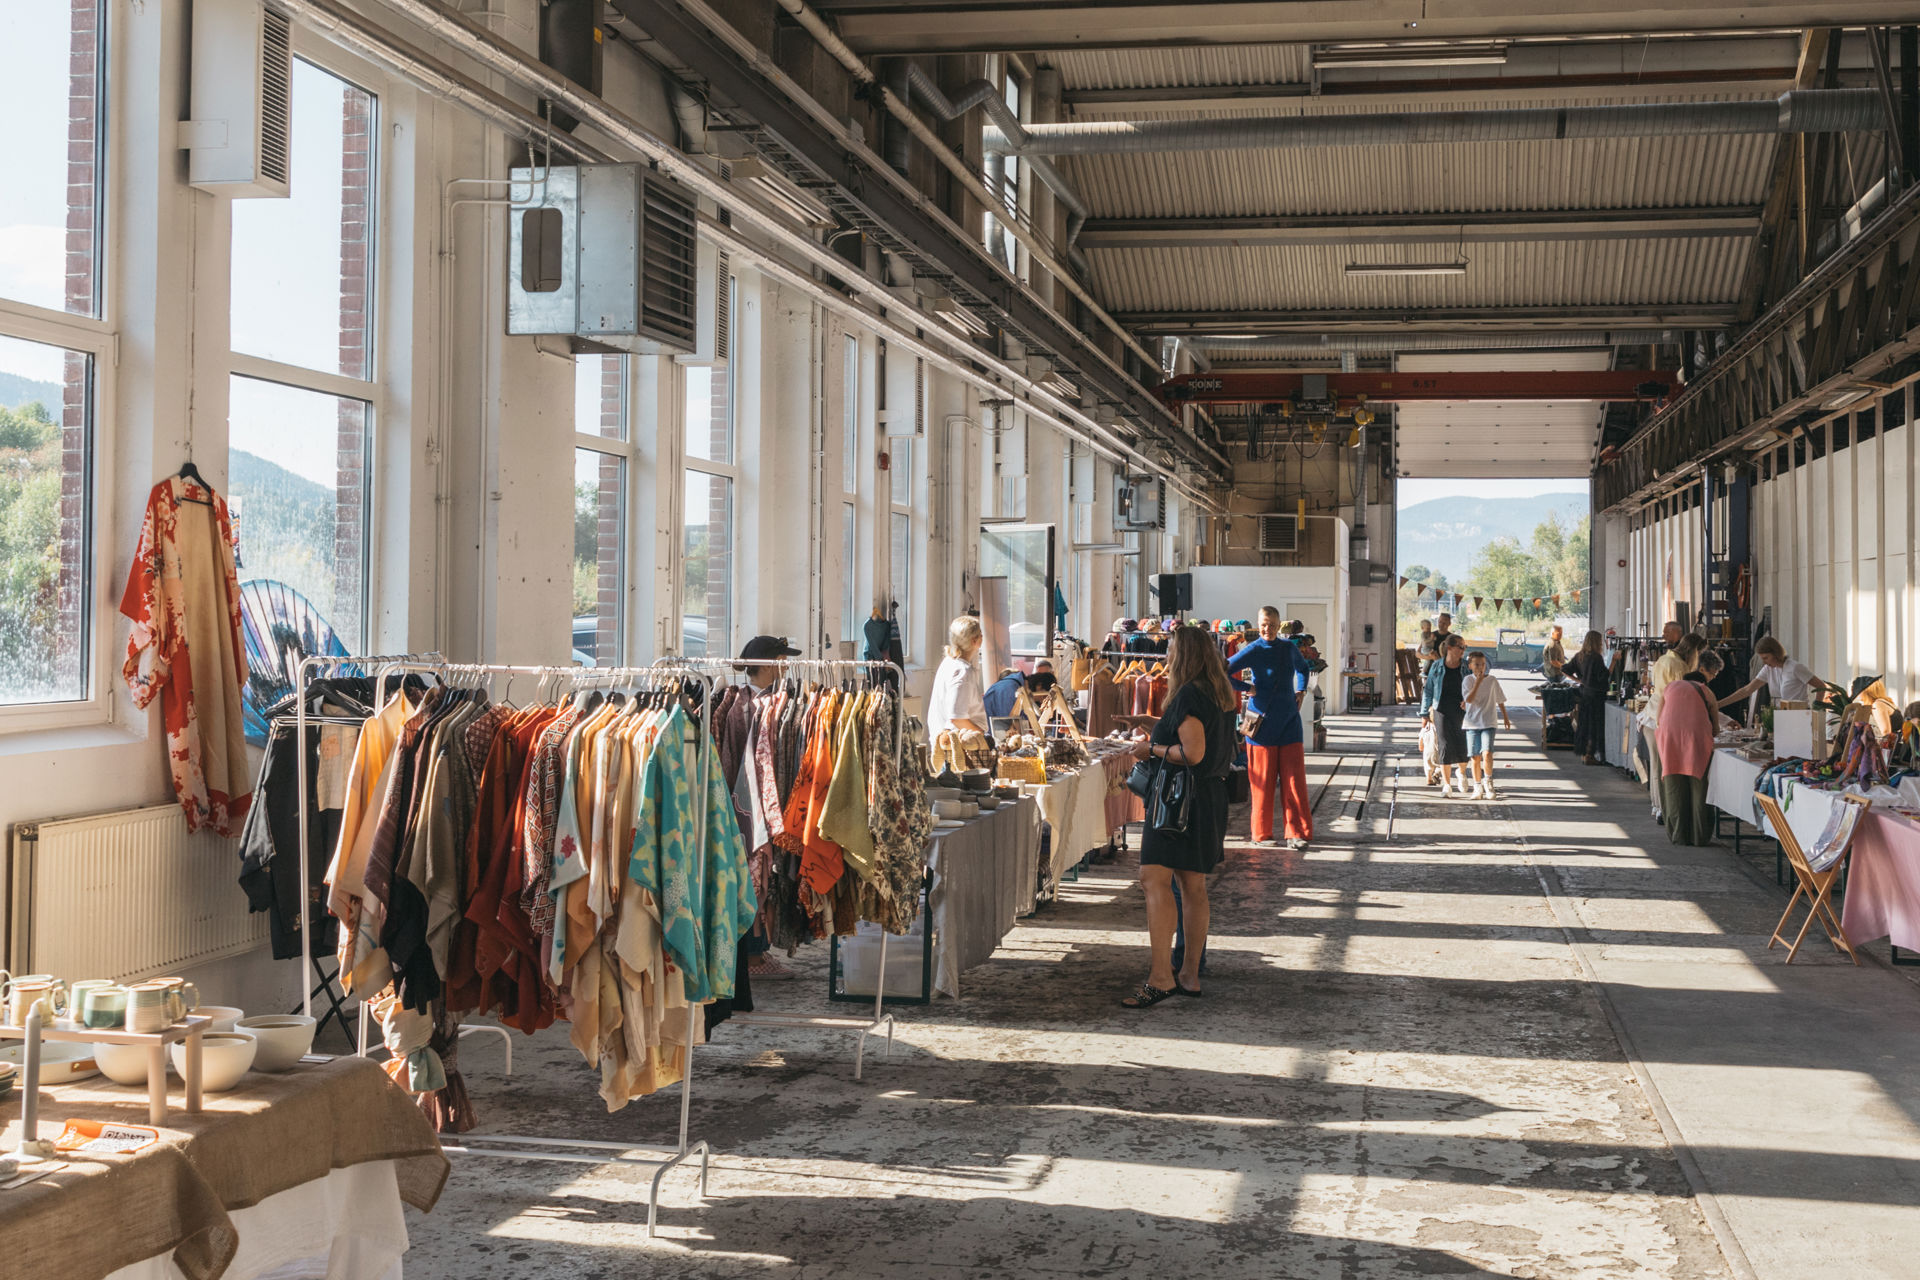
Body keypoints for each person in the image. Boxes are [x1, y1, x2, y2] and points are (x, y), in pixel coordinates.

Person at [1121, 625, 1236, 1008]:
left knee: (1153, 878)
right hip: (1207, 800)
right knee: (1193, 886)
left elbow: (1192, 753)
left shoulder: (1187, 693)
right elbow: (1198, 738)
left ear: (1183, 654)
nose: (1166, 656)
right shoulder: (1218, 693)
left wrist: (1149, 750)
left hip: (1177, 802)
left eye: (1170, 650)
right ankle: (1188, 975)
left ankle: (1160, 977)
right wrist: (1154, 725)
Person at [739, 634, 801, 979]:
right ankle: (752, 957)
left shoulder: (769, 703)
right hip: (750, 804)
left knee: (757, 878)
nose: (787, 664)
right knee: (754, 877)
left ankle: (757, 953)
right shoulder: (753, 707)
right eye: (781, 658)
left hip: (753, 802)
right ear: (766, 663)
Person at [1229, 606, 1313, 849]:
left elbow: (1303, 669)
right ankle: (1261, 834)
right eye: (1265, 624)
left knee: (1294, 781)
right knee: (1262, 782)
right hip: (1261, 725)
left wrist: (1301, 689)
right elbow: (1222, 671)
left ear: (1279, 625)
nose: (1269, 629)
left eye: (1273, 624)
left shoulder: (1289, 648)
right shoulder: (1252, 650)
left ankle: (1296, 833)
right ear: (1259, 624)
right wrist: (1246, 689)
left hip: (1289, 722)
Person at [1657, 650, 1724, 845]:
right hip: (1696, 740)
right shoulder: (1705, 690)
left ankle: (1678, 835)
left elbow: (1660, 718)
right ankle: (1699, 836)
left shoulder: (1670, 687)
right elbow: (1715, 723)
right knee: (1699, 786)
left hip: (1669, 741)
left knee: (1673, 785)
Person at [1644, 631, 1704, 820]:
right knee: (1666, 767)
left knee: (1656, 765)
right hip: (1666, 717)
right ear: (1694, 651)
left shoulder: (1663, 658)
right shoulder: (1679, 666)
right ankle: (1665, 808)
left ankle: (1657, 805)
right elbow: (1683, 695)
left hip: (1651, 714)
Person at [1716, 636, 1838, 709]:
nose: (1764, 662)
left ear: (1775, 653)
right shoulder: (1768, 669)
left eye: (1766, 658)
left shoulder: (1795, 667)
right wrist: (1719, 704)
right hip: (1779, 716)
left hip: (1798, 716)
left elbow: (1821, 686)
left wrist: (1817, 708)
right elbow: (1747, 690)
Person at [1421, 634, 1472, 796]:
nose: (1463, 650)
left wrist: (1469, 701)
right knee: (1444, 745)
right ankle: (1447, 785)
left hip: (1462, 710)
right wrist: (1424, 714)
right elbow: (1428, 690)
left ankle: (1462, 773)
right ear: (1450, 648)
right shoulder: (1437, 666)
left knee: (1463, 744)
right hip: (1441, 709)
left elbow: (1476, 684)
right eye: (1460, 647)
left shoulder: (1466, 667)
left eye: (1465, 647)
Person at [1461, 651, 1513, 800]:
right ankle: (1477, 786)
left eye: (1483, 664)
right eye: (1477, 664)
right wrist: (1477, 683)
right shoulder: (1467, 681)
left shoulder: (1492, 680)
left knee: (1487, 753)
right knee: (1475, 757)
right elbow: (1469, 699)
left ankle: (1488, 782)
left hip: (1489, 721)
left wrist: (1506, 717)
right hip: (1472, 723)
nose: (1481, 667)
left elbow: (1500, 699)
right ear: (1470, 666)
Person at [927, 615, 987, 739]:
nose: (983, 637)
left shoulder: (949, 663)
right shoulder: (962, 671)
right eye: (980, 634)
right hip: (961, 745)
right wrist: (983, 738)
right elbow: (957, 718)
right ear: (974, 641)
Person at [1569, 630, 1611, 765]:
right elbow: (1604, 677)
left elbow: (1565, 669)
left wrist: (1580, 681)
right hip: (1597, 696)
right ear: (1596, 642)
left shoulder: (1579, 656)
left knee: (1585, 724)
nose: (1601, 644)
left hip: (1584, 694)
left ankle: (1585, 754)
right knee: (1596, 726)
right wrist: (1614, 661)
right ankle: (1591, 755)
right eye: (1600, 641)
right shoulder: (1596, 658)